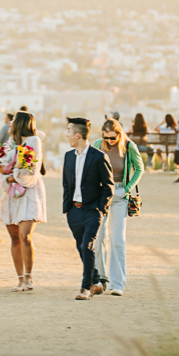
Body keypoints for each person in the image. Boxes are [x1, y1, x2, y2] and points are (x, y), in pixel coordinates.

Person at [62, 117, 114, 300]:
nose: (66, 134)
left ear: (78, 135)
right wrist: (67, 209)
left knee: (87, 246)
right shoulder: (68, 156)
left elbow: (109, 186)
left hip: (93, 211)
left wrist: (101, 209)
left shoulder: (99, 157)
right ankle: (97, 281)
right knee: (81, 247)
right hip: (74, 212)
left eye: (69, 131)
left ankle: (86, 288)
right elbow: (66, 185)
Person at [91, 118, 144, 296]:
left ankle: (117, 284)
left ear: (119, 134)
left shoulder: (129, 146)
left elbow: (139, 168)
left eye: (112, 138)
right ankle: (100, 279)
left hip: (121, 194)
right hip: (101, 194)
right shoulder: (98, 144)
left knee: (117, 239)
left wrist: (128, 188)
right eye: (106, 138)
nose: (109, 141)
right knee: (98, 239)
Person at [0, 110, 47, 291]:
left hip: (29, 192)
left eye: (14, 120)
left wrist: (13, 176)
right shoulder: (10, 144)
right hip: (11, 194)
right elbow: (0, 168)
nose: (10, 123)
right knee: (14, 238)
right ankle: (19, 279)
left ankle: (29, 277)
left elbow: (31, 169)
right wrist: (6, 178)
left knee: (25, 236)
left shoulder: (33, 141)